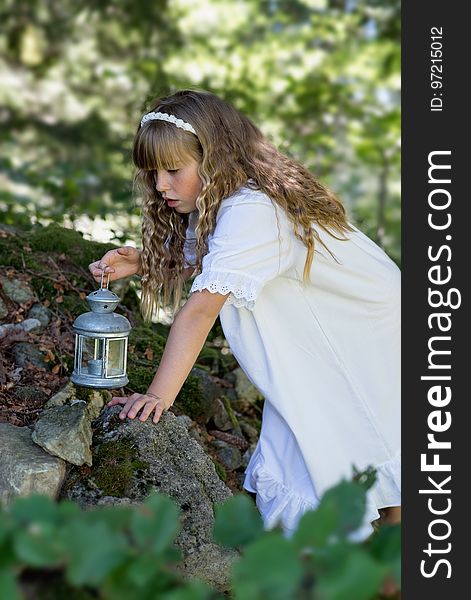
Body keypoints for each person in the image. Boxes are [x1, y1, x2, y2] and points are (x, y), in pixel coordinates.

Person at [89, 89, 401, 540]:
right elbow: (216, 261)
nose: (160, 185)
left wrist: (158, 396)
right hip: (336, 331)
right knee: (351, 450)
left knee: (368, 446)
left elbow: (199, 310)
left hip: (365, 329)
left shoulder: (251, 208)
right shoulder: (226, 205)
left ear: (213, 160)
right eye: (153, 173)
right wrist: (142, 259)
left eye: (174, 170)